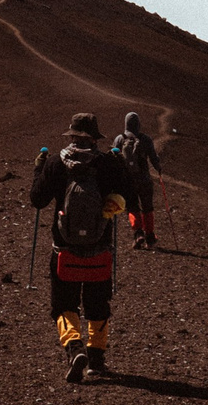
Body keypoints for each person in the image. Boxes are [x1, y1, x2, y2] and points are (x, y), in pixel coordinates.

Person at [30, 111, 136, 382]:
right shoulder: (107, 164)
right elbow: (129, 194)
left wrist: (38, 169)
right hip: (99, 249)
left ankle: (74, 347)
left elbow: (37, 200)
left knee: (63, 305)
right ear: (95, 137)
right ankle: (96, 361)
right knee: (97, 305)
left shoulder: (56, 163)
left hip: (64, 250)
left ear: (72, 135)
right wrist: (121, 165)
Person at [113, 111, 162, 249]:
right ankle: (150, 236)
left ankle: (138, 233)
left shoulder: (120, 139)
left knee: (132, 207)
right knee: (147, 207)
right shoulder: (145, 139)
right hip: (144, 179)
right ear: (138, 124)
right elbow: (153, 158)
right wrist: (158, 168)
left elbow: (113, 158)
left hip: (128, 181)